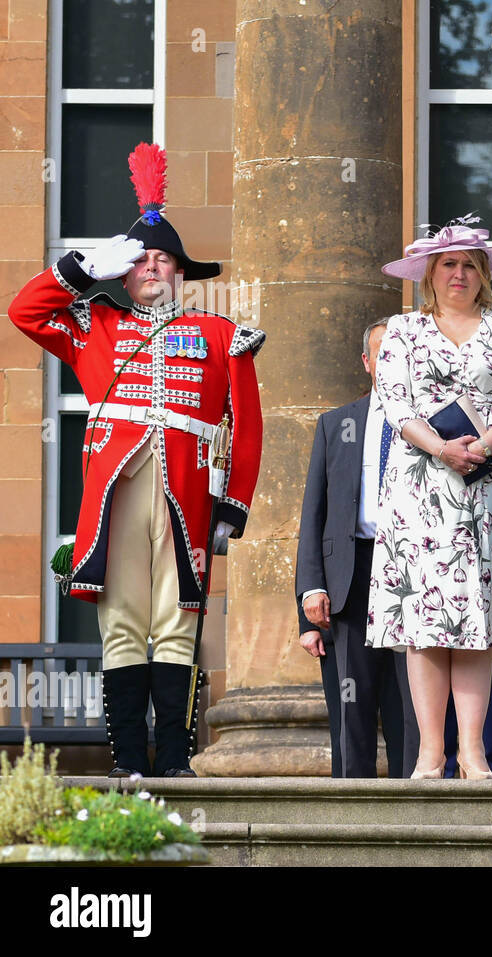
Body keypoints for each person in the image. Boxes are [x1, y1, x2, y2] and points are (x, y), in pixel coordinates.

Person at [8, 143, 263, 777]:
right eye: (141, 258)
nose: (152, 266)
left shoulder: (221, 334)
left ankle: (175, 758)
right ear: (123, 270)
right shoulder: (94, 323)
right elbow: (23, 311)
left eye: (163, 258)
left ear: (180, 270)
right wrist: (78, 268)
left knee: (179, 622)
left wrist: (234, 504)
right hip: (116, 488)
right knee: (122, 622)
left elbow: (249, 426)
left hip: (188, 488)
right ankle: (129, 761)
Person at [368, 215, 492, 780]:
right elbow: (397, 405)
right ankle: (428, 752)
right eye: (449, 263)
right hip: (421, 489)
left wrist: (480, 447)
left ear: (485, 274)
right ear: (429, 272)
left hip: (490, 488)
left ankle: (471, 751)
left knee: (475, 619)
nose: (460, 273)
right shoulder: (402, 330)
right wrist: (443, 449)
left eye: (470, 264)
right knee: (425, 621)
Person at [295, 318, 418, 778]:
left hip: (412, 572)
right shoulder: (335, 424)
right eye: (380, 352)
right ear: (366, 362)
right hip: (351, 576)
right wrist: (308, 592)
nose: (389, 361)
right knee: (352, 704)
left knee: (412, 704)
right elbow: (314, 515)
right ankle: (352, 807)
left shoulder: (431, 423)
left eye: (398, 352)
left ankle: (417, 809)